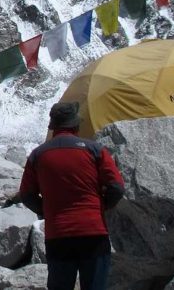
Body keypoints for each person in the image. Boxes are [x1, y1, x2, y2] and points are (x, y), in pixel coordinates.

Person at [18, 102, 125, 290]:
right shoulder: (95, 150)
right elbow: (116, 187)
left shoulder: (37, 155)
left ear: (53, 127)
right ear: (76, 125)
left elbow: (27, 195)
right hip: (94, 232)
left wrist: (47, 210)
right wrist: (100, 206)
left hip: (58, 235)